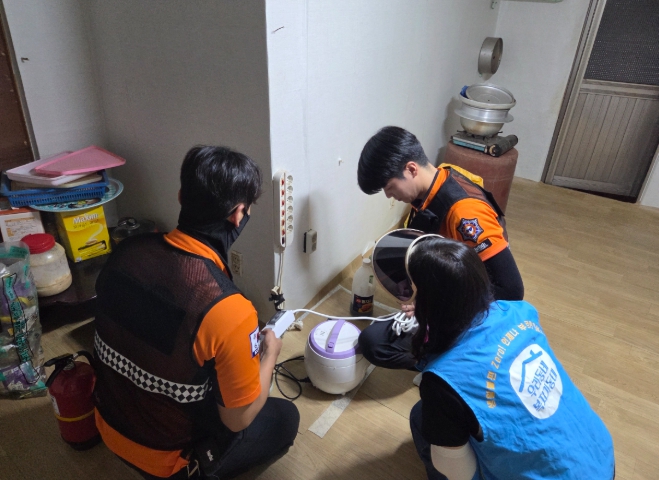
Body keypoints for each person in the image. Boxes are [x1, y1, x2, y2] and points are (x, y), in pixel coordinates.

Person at [92, 146, 299, 479]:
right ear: (238, 214)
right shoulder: (228, 309)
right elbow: (238, 419)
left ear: (180, 196)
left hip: (107, 424)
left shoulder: (127, 252)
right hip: (167, 461)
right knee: (285, 418)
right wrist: (271, 352)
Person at [406, 236, 614, 480]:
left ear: (429, 303)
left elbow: (461, 475)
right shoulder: (520, 311)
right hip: (600, 458)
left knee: (421, 417)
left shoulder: (442, 381)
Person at [357, 126, 524, 370]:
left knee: (375, 344)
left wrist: (437, 307)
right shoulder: (436, 180)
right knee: (373, 337)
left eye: (389, 187)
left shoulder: (464, 212)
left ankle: (447, 366)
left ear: (411, 169)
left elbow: (511, 290)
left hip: (473, 308)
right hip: (448, 290)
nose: (388, 196)